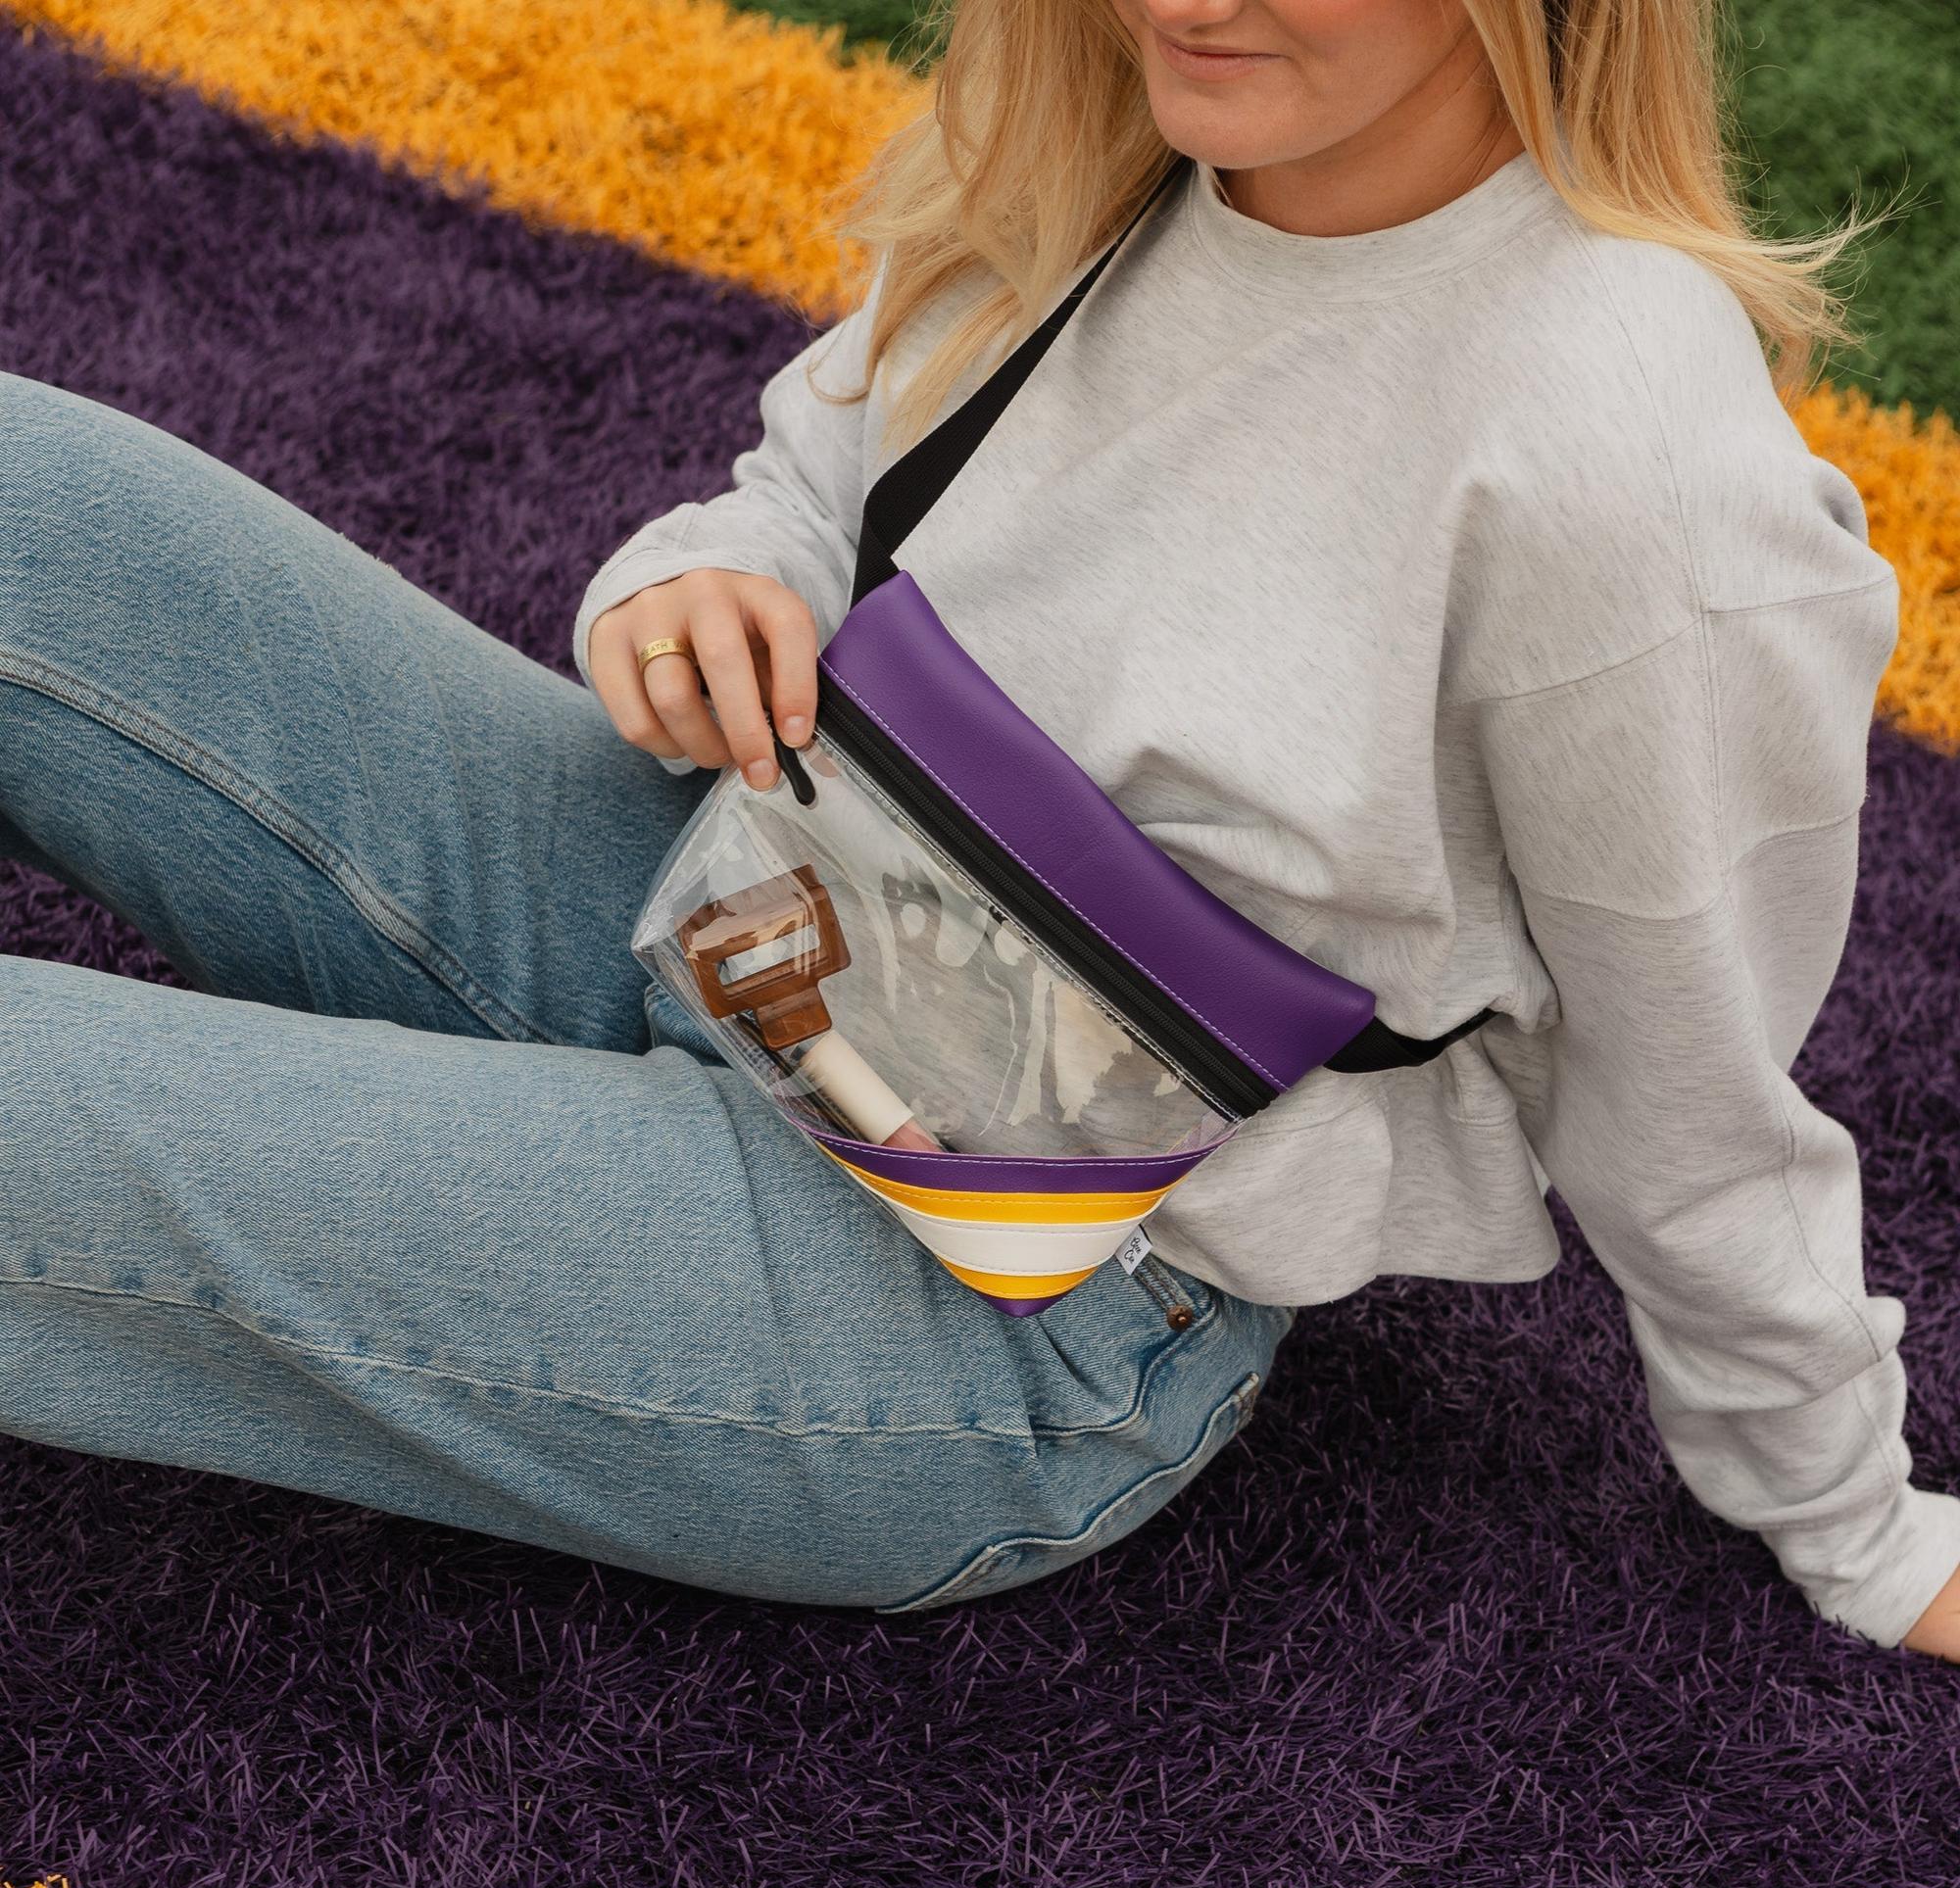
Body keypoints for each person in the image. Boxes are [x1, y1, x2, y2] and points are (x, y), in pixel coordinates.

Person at [4, 0, 1957, 1656]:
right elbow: (812, 479)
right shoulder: (1106, 140)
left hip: (1024, 1299)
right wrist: (702, 585)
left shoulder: (1620, 452)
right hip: (757, 909)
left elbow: (1685, 1091)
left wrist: (1860, 1529)